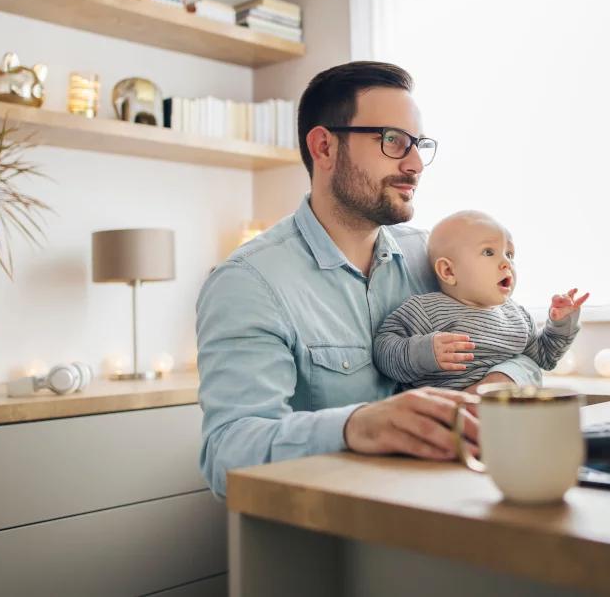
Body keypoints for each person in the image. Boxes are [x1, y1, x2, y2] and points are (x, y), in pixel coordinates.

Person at [195, 62, 542, 497]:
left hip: (458, 504)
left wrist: (500, 382)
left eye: (419, 144)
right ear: (324, 147)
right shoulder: (248, 283)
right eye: (393, 141)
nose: (415, 164)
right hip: (337, 536)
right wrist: (354, 426)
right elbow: (227, 452)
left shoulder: (435, 258)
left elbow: (527, 351)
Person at [373, 210, 588, 390]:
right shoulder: (425, 310)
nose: (506, 263)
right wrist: (424, 351)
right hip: (443, 420)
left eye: (509, 254)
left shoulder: (518, 317)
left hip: (504, 418)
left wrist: (561, 323)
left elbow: (545, 357)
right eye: (489, 252)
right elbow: (383, 350)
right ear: (448, 271)